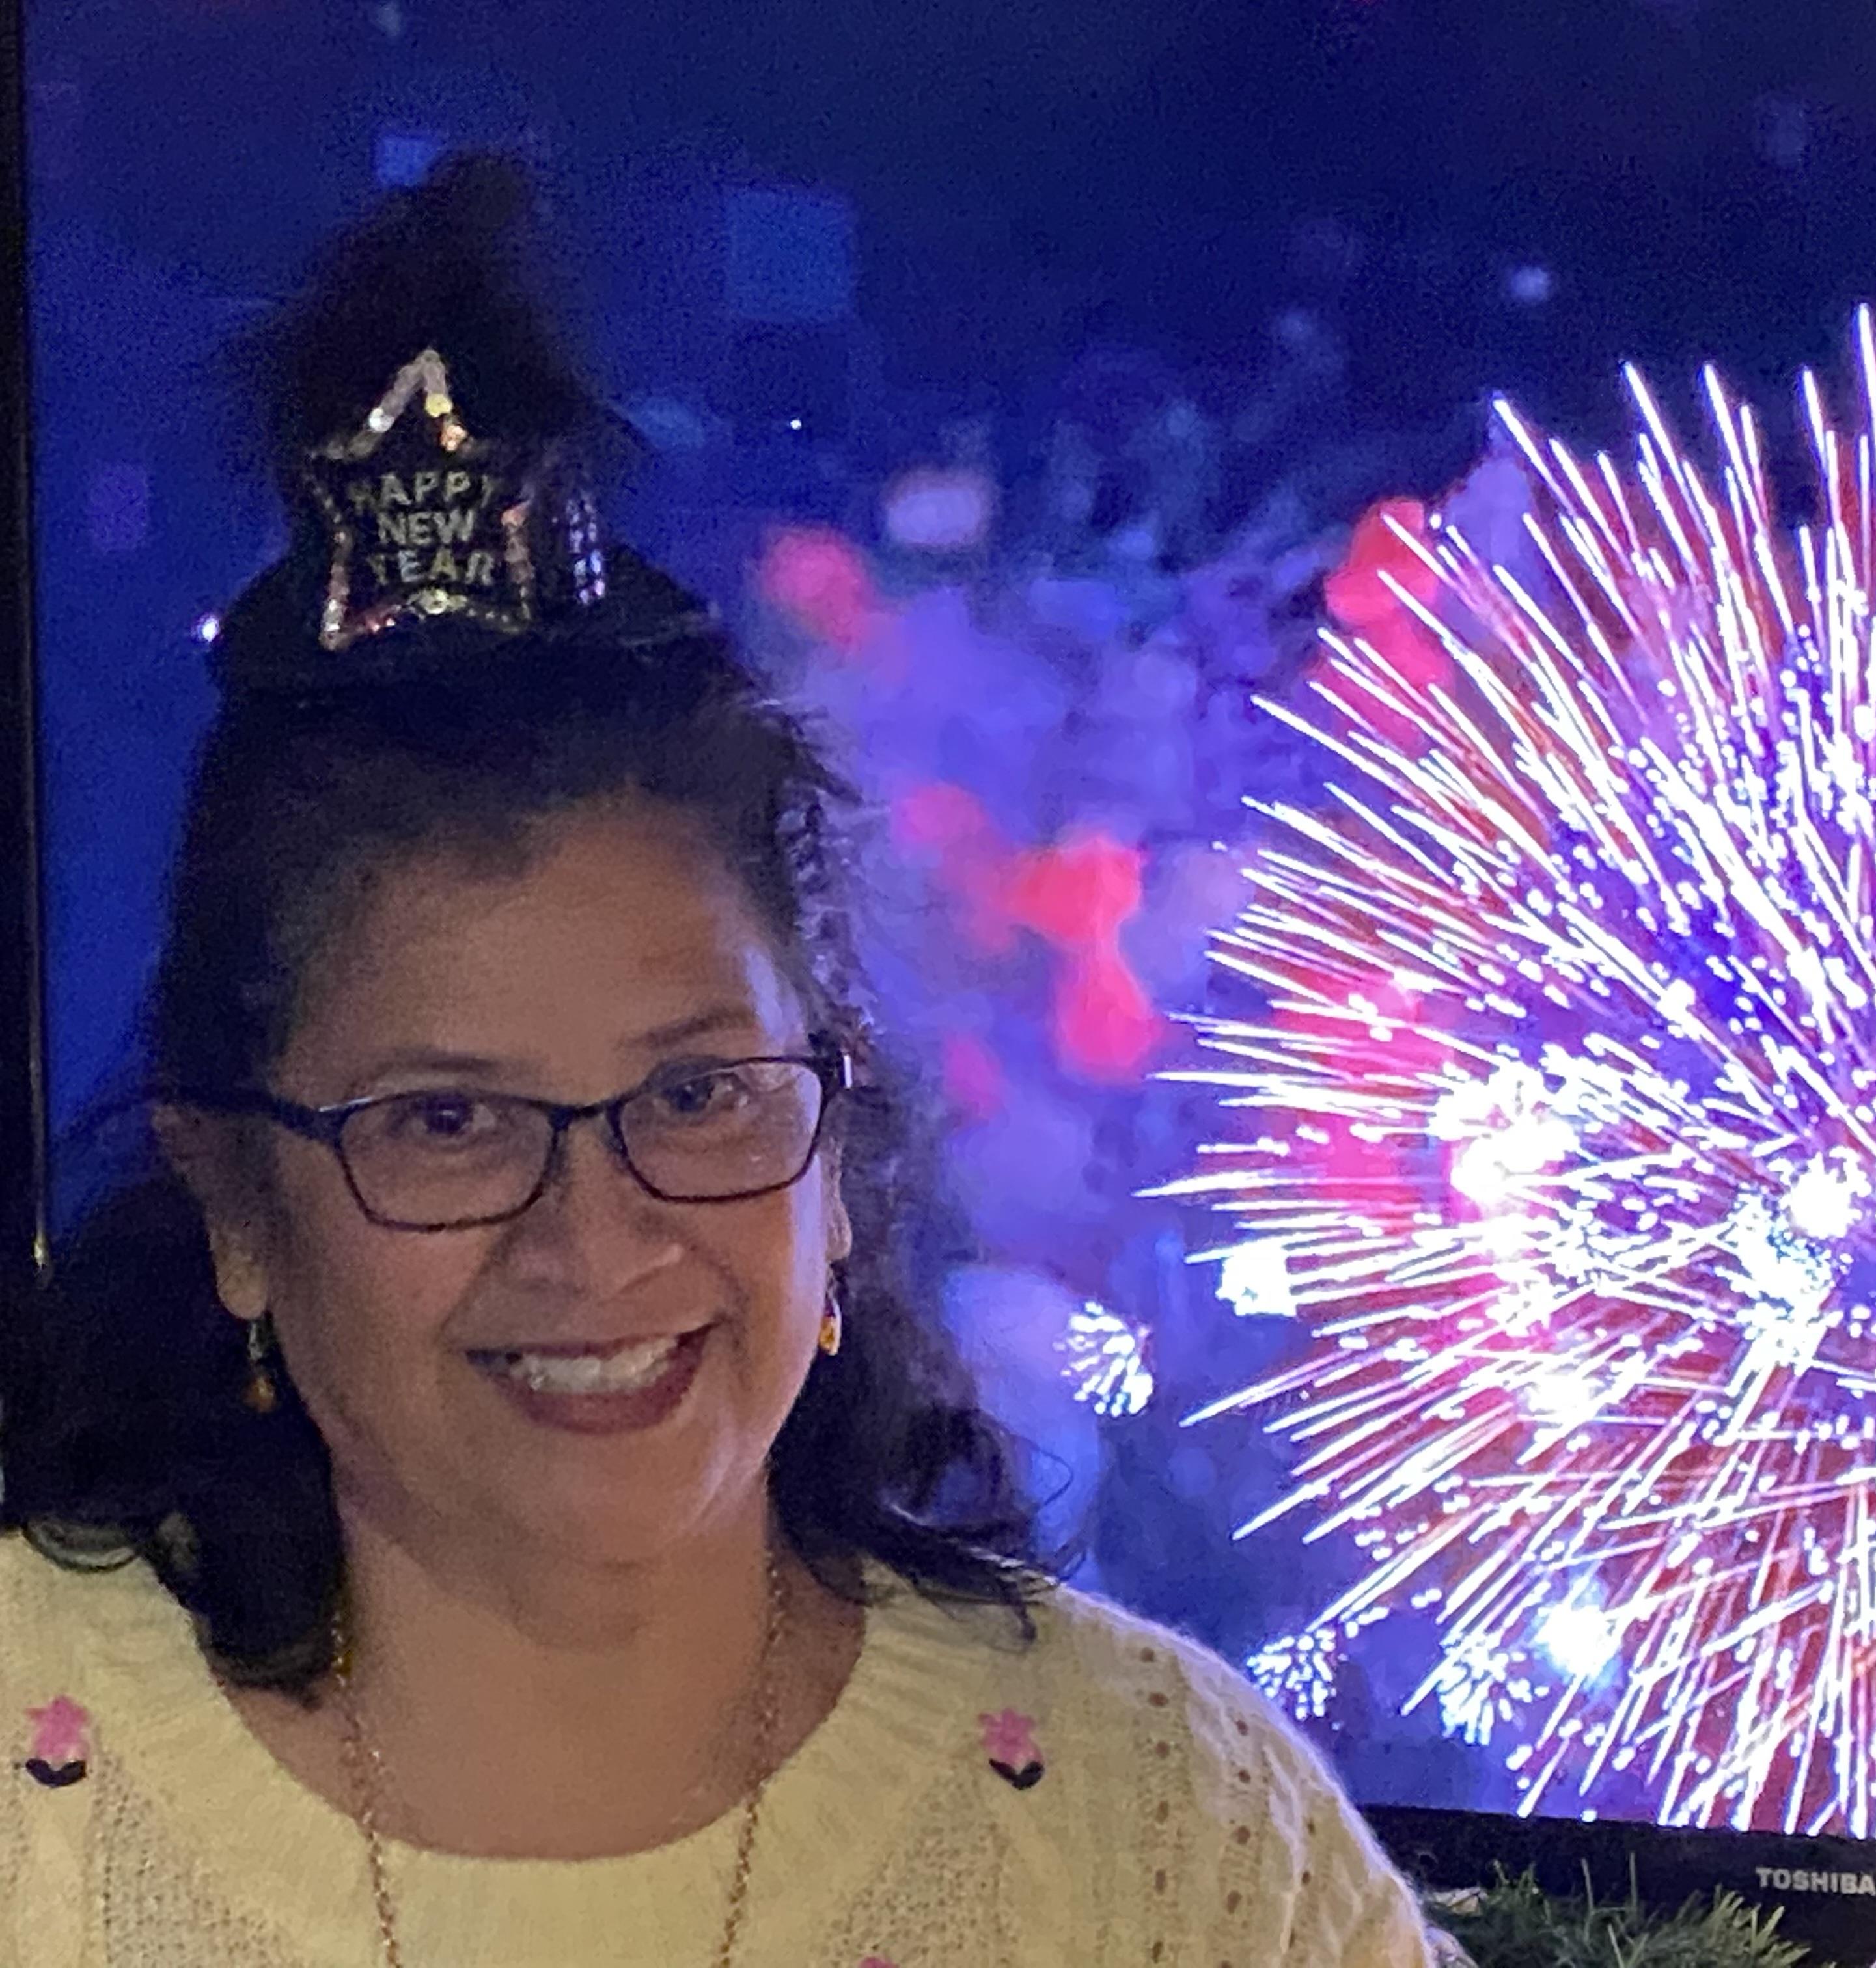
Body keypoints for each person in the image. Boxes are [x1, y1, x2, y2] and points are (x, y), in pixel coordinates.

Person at [0, 157, 1435, 1967]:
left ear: (835, 1142)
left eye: (696, 1094)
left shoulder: (1162, 1833)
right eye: (447, 1124)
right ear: (235, 1206)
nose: (594, 1242)